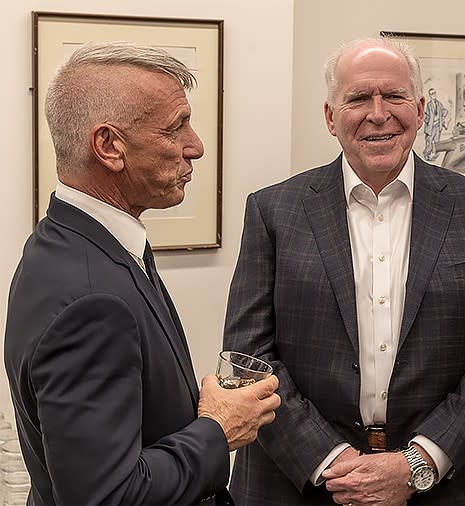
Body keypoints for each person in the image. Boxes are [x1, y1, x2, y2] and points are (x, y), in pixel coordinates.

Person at [223, 37, 465, 505]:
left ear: (420, 110)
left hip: (445, 484)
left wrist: (416, 463)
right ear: (330, 117)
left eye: (395, 96)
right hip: (298, 482)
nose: (378, 114)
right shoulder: (273, 210)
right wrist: (334, 462)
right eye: (358, 98)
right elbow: (249, 355)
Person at [3, 41, 281, 505]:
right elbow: (108, 497)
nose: (196, 146)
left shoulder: (67, 241)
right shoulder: (92, 298)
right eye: (175, 129)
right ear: (110, 146)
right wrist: (217, 429)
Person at [423, 87, 448, 161]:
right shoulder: (429, 105)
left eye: (434, 93)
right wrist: (428, 121)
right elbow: (425, 115)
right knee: (429, 141)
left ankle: (435, 155)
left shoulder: (439, 104)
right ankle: (426, 155)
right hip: (431, 126)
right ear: (429, 95)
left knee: (436, 141)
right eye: (431, 94)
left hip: (437, 126)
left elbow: (444, 111)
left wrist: (442, 117)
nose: (433, 95)